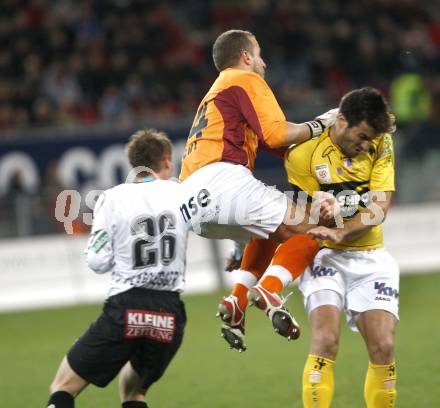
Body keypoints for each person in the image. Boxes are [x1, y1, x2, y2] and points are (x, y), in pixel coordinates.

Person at [178, 29, 339, 352]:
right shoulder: (243, 78)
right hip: (224, 180)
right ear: (246, 57)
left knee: (268, 230)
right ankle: (271, 289)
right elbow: (279, 134)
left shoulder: (215, 95)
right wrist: (324, 123)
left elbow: (273, 145)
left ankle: (236, 301)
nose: (264, 63)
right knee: (321, 223)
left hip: (190, 204)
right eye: (260, 54)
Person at [236, 87, 398, 407]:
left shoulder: (382, 141)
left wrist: (344, 229)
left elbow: (379, 208)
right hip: (325, 255)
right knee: (325, 340)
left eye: (370, 139)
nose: (365, 145)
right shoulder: (303, 154)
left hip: (371, 255)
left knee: (384, 346)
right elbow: (306, 217)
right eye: (361, 136)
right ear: (341, 121)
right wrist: (323, 217)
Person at [46, 129, 189, 408]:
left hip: (126, 306)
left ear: (133, 163)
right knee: (133, 391)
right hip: (169, 313)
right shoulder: (182, 193)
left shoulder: (112, 198)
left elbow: (98, 261)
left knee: (63, 386)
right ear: (167, 161)